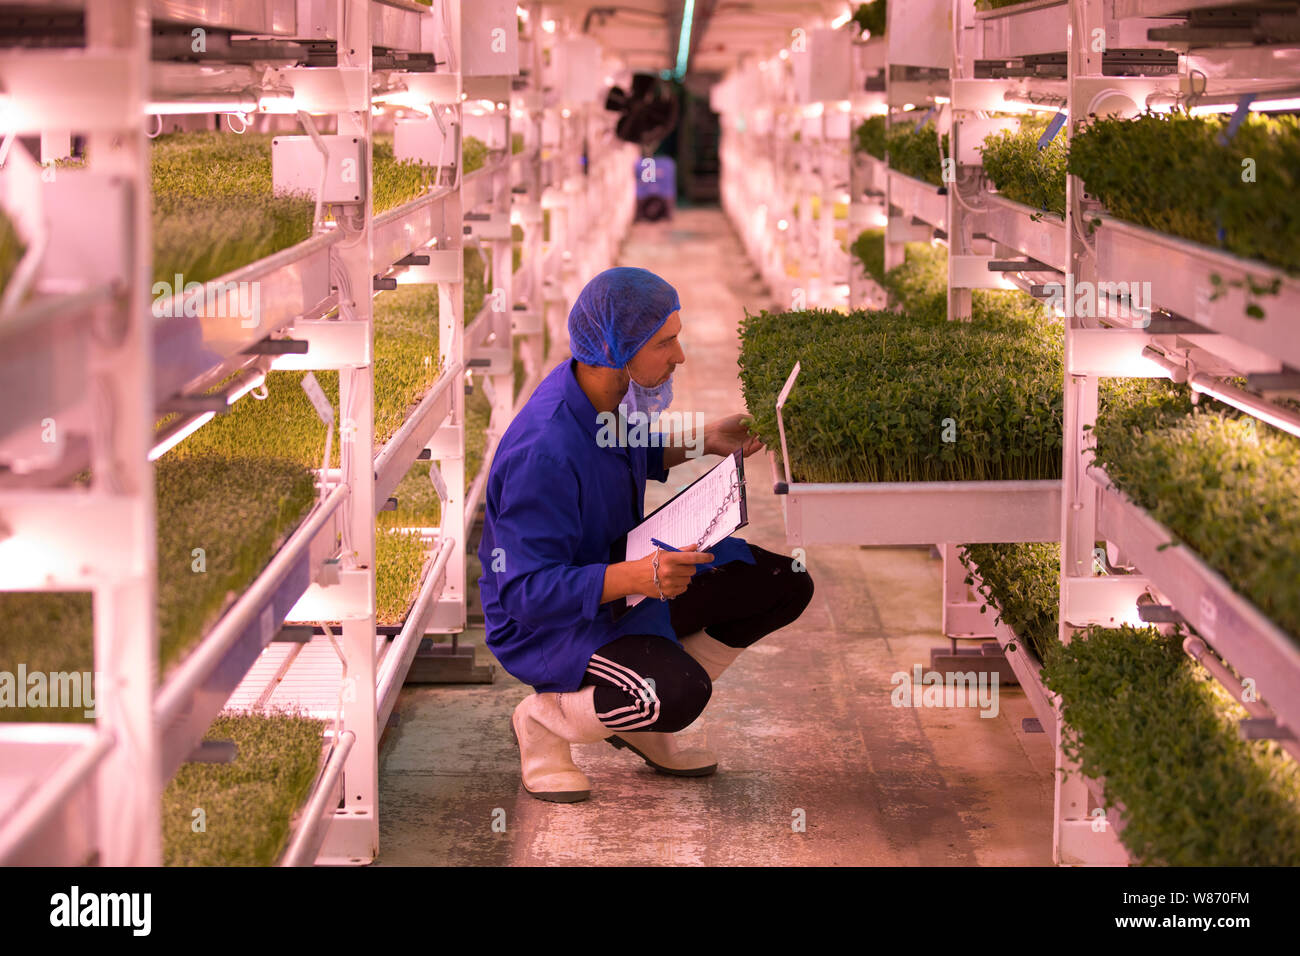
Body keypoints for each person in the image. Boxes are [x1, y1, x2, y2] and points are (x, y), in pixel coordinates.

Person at [478, 266, 814, 803]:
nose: (679, 355)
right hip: (553, 626)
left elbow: (630, 450)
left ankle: (633, 704)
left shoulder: (602, 398)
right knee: (677, 694)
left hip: (621, 572)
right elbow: (524, 593)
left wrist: (706, 439)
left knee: (780, 582)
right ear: (616, 349)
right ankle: (547, 720)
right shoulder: (543, 452)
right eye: (665, 342)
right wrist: (640, 575)